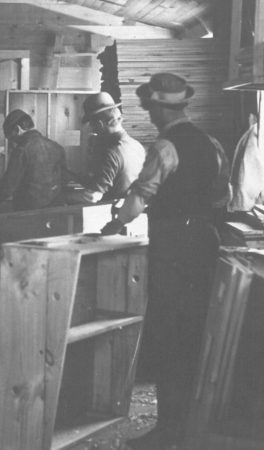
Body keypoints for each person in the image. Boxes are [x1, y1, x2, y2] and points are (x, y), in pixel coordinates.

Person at [101, 73, 230, 450]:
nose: (151, 114)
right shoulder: (211, 143)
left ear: (159, 108)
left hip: (173, 248)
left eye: (151, 108)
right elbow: (225, 194)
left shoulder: (165, 146)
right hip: (206, 244)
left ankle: (169, 430)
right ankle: (191, 427)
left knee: (171, 336)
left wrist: (117, 221)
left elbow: (141, 197)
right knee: (195, 335)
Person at [0, 109, 67, 211]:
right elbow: (64, 179)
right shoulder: (57, 147)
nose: (13, 143)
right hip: (55, 209)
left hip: (28, 212)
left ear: (17, 129)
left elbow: (8, 188)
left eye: (12, 138)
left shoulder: (21, 151)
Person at [72, 92, 145, 203]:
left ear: (100, 124)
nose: (92, 129)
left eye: (92, 124)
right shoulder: (137, 146)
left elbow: (93, 197)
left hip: (111, 215)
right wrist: (73, 176)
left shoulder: (111, 153)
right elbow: (113, 179)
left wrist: (65, 197)